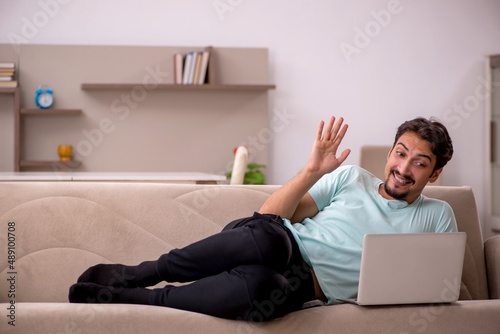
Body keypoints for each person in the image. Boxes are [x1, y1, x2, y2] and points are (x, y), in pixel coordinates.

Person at [69, 116, 457, 321]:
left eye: (419, 163)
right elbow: (268, 218)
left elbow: (438, 288)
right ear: (390, 153)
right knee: (270, 240)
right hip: (275, 244)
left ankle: (129, 298)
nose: (404, 168)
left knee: (260, 292)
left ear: (434, 173)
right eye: (400, 153)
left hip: (306, 289)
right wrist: (312, 171)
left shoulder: (438, 217)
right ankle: (141, 273)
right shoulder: (351, 177)